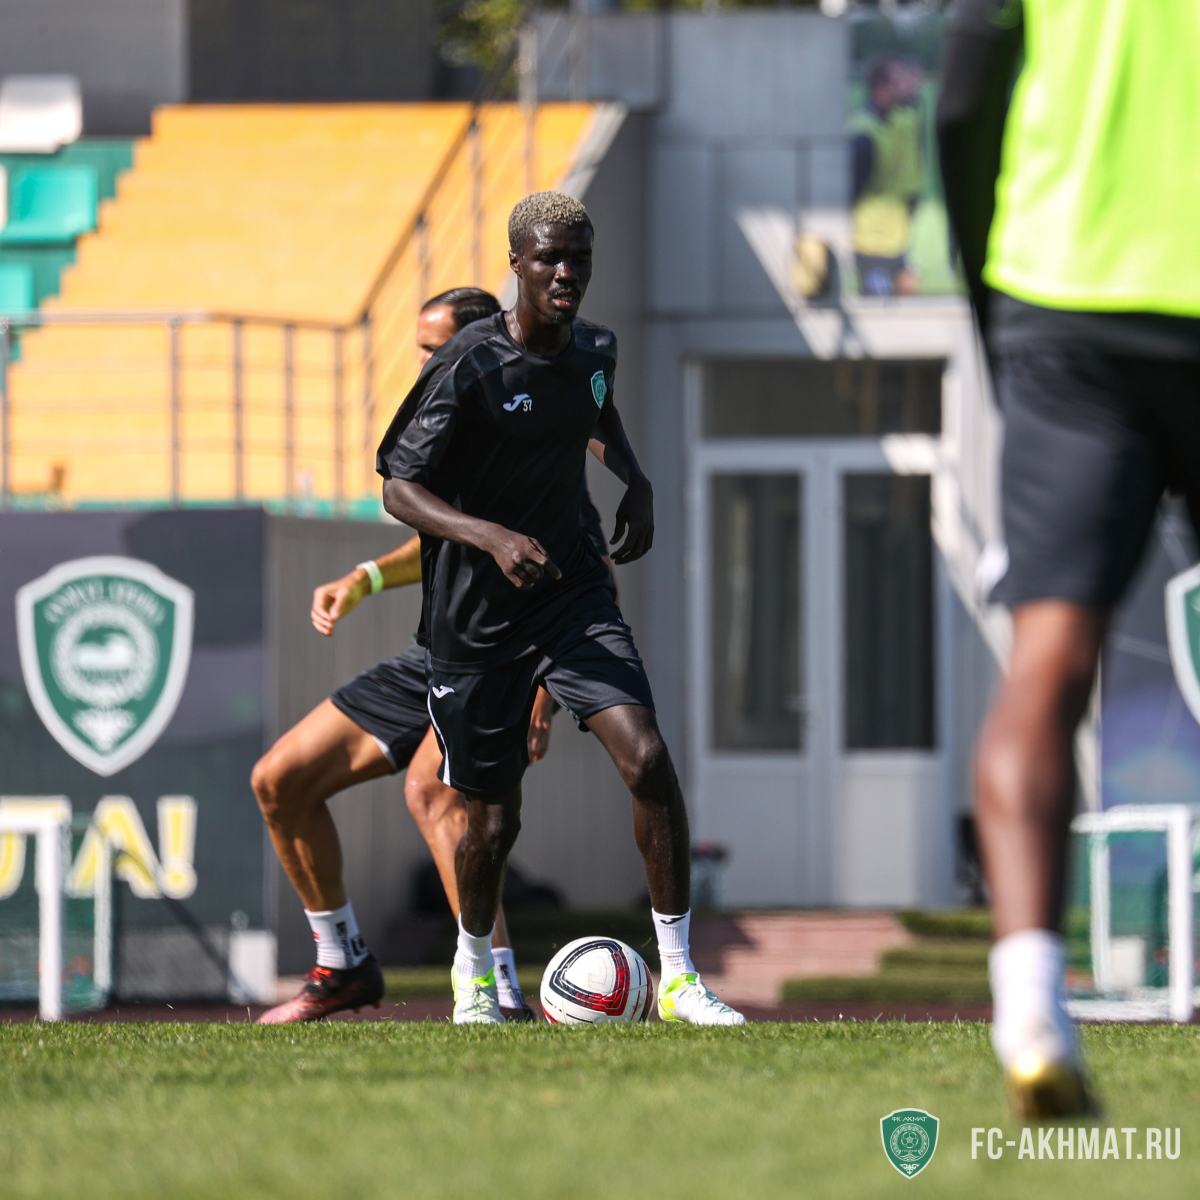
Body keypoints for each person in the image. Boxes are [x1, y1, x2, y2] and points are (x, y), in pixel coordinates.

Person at [379, 191, 745, 1026]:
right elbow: (399, 487)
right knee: (493, 824)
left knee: (647, 758)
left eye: (579, 259)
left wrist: (634, 477)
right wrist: (489, 537)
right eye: (549, 258)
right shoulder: (469, 364)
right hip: (475, 622)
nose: (566, 273)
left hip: (570, 596)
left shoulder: (595, 349)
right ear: (517, 264)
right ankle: (475, 971)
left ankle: (679, 978)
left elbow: (594, 407)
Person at [938, 0, 1200, 1116]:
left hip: (1062, 297)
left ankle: (1034, 1012)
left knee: (1046, 663)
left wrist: (994, 303)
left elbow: (961, 102)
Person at [254, 287, 613, 1024]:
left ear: (478, 345)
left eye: (432, 347)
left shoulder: (533, 440)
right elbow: (438, 536)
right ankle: (342, 963)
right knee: (281, 780)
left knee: (433, 793)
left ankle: (498, 990)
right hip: (435, 657)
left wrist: (544, 695)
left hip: (509, 661)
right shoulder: (446, 425)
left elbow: (589, 576)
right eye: (418, 347)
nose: (422, 361)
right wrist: (365, 577)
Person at [849, 56, 925, 296]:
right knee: (878, 304)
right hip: (869, 240)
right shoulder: (863, 133)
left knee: (906, 297)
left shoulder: (900, 120)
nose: (904, 86)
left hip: (897, 235)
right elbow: (853, 190)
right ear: (880, 87)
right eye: (896, 81)